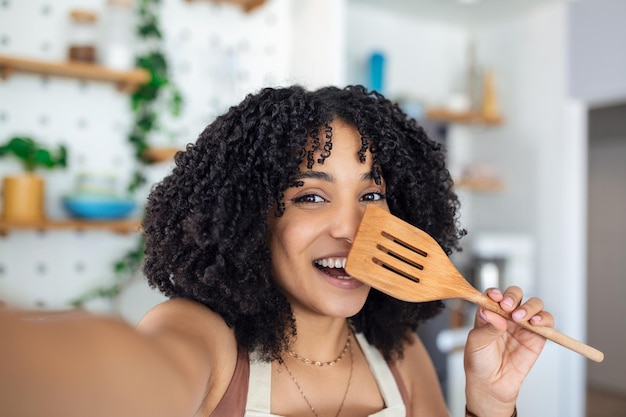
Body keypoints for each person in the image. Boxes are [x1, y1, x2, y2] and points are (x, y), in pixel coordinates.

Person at [0, 85, 552, 417]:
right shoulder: (204, 339)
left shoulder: (401, 354)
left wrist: (491, 403)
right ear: (251, 218)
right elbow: (117, 383)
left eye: (371, 195)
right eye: (311, 195)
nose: (355, 225)